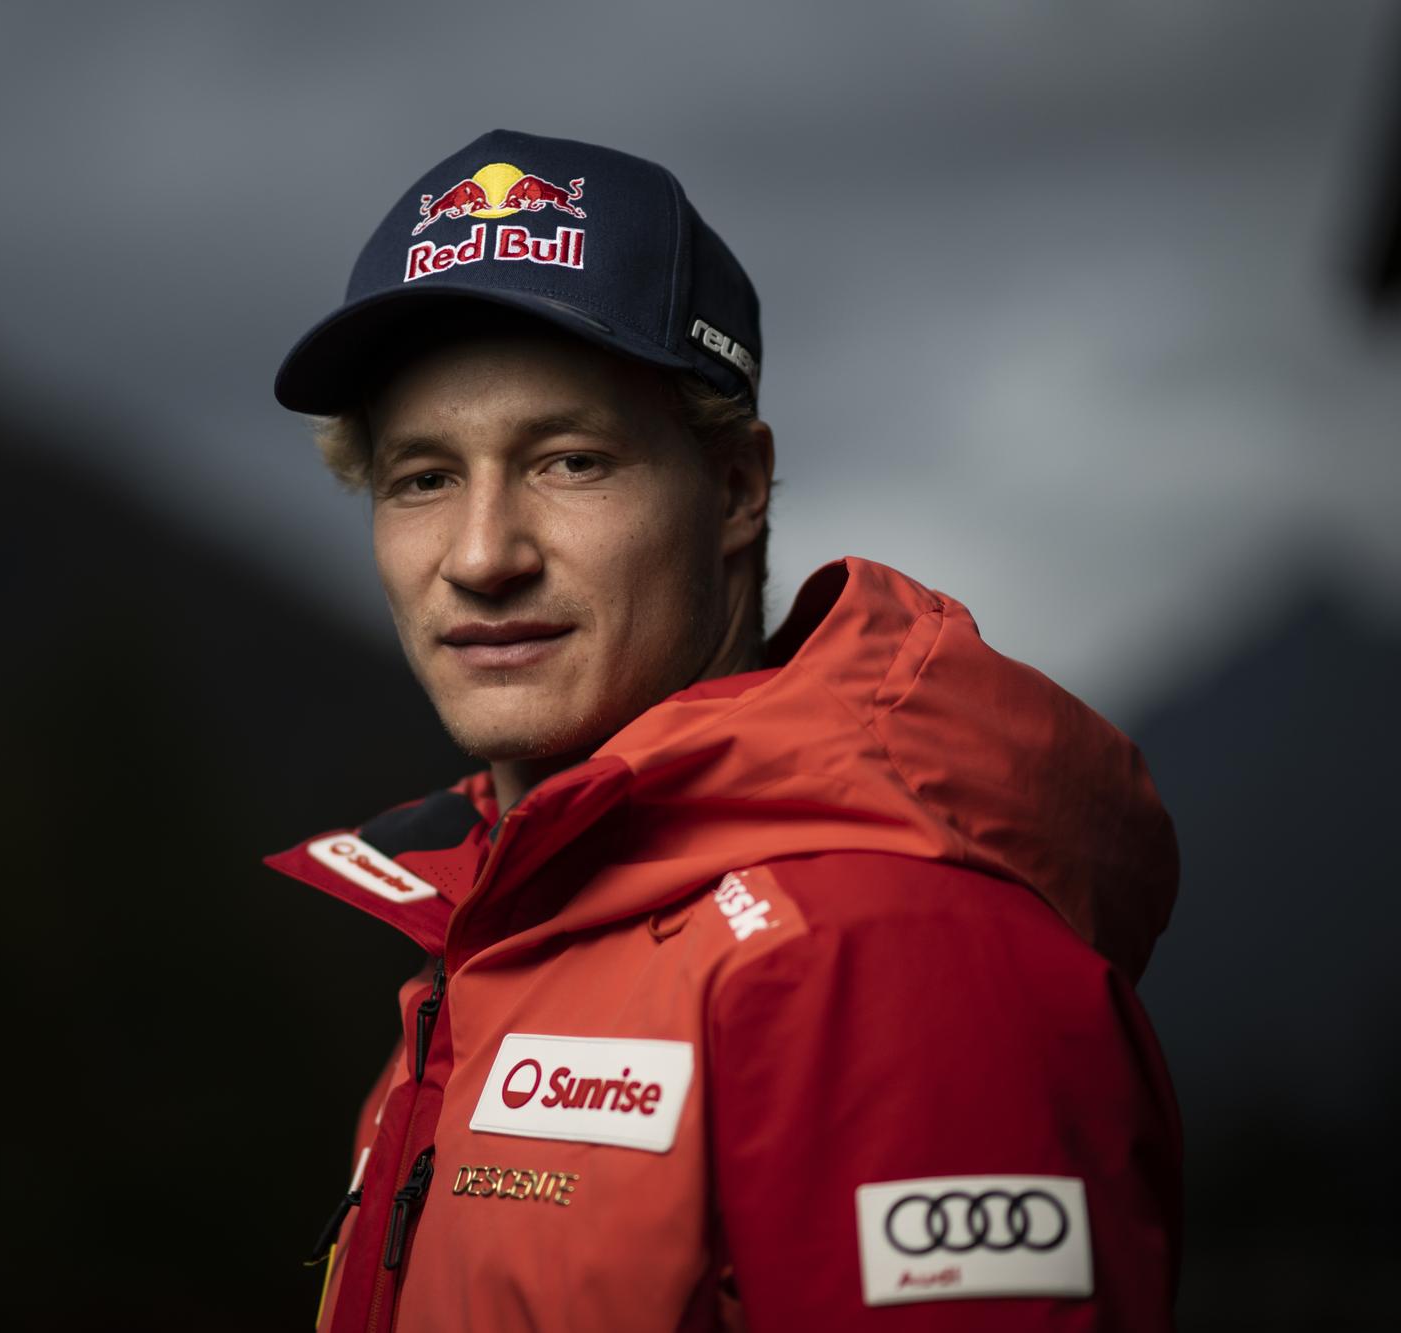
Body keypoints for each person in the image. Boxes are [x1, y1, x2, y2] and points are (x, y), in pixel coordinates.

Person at [266, 128, 1181, 1333]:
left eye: (571, 461)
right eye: (422, 479)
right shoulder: (491, 933)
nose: (481, 555)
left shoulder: (885, 947)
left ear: (737, 489)